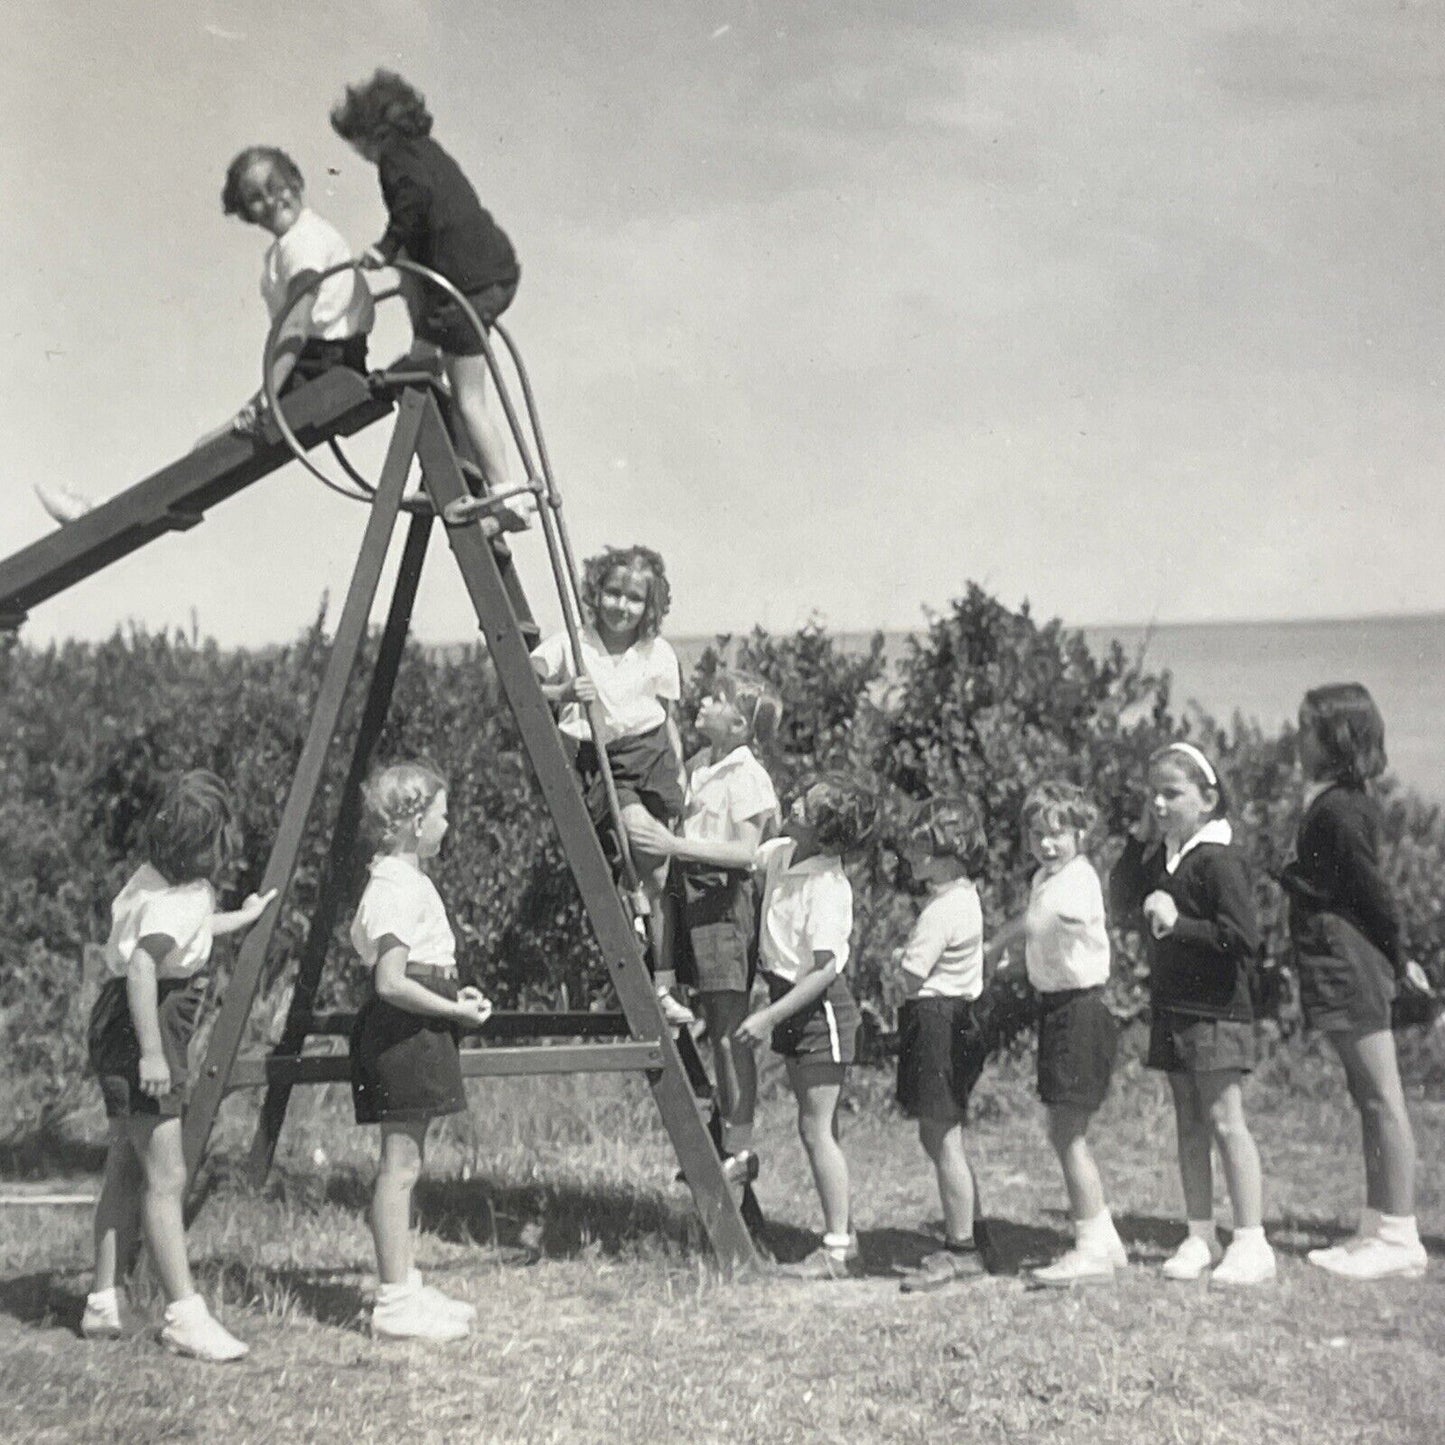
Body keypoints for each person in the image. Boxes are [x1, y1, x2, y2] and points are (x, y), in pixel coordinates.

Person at [33, 147, 375, 525]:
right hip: (323, 360)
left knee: (213, 450)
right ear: (246, 212)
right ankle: (112, 511)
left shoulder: (302, 242)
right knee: (211, 451)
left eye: (276, 187)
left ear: (296, 182)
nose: (270, 202)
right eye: (255, 199)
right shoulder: (298, 240)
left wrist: (265, 400)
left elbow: (295, 325)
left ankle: (101, 515)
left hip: (319, 364)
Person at [82, 771, 275, 1360]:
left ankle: (102, 1301)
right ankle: (185, 1316)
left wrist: (239, 918)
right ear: (211, 846)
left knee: (126, 1163)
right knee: (167, 1178)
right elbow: (145, 966)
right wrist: (152, 1054)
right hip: (147, 1028)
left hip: (116, 1023)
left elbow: (184, 932)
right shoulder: (177, 899)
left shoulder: (156, 885)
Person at [331, 69, 531, 531]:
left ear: (373, 133)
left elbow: (413, 208)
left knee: (469, 399)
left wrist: (383, 248)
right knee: (416, 277)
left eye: (358, 144)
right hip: (491, 273)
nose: (359, 154)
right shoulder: (427, 152)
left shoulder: (397, 161)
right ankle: (423, 357)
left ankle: (508, 498)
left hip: (466, 289)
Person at [1110, 741, 1275, 1287]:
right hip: (1174, 1008)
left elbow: (1243, 939)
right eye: (1152, 793)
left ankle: (1251, 1241)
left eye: (1171, 793)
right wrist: (1139, 835)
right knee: (1188, 1122)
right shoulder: (1165, 854)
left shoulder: (1219, 859)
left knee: (1227, 1121)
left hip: (1217, 1012)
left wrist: (1177, 924)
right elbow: (1122, 893)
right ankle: (1199, 1233)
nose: (1158, 803)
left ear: (1207, 798)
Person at [1284, 684, 1428, 1279]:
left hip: (1354, 960)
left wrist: (1399, 959)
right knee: (1366, 1097)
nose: (1297, 739)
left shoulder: (1341, 809)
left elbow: (1373, 894)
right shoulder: (1337, 802)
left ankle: (1400, 1237)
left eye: (1307, 729)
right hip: (1340, 958)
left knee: (1382, 1097)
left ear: (1337, 739)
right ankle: (1377, 1224)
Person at [349, 761, 493, 1342]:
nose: (448, 822)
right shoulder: (394, 885)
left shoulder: (405, 880)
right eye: (441, 813)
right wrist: (453, 1010)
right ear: (412, 823)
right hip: (403, 1033)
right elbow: (390, 981)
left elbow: (420, 968)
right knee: (399, 1167)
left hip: (418, 1023)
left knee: (407, 1164)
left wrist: (454, 995)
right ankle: (392, 1302)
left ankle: (403, 1286)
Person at [628, 671, 782, 1182]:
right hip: (691, 892)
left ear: (739, 723)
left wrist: (671, 847)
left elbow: (744, 852)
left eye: (718, 699)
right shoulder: (701, 765)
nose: (706, 700)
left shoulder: (747, 777)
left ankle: (738, 1144)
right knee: (707, 1023)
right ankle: (722, 1137)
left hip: (723, 902)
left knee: (726, 1031)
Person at [530, 546, 691, 1025]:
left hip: (654, 757)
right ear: (595, 592)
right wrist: (561, 694)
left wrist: (680, 774)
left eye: (635, 598)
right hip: (605, 762)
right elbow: (522, 681)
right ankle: (637, 923)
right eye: (614, 592)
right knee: (638, 839)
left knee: (659, 877)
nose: (622, 605)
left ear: (650, 605)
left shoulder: (656, 652)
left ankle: (662, 982)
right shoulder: (571, 644)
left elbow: (670, 718)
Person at [738, 773, 876, 1280]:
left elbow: (822, 972)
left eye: (807, 805)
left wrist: (768, 1016)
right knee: (819, 1129)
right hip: (789, 1003)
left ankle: (836, 1250)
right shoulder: (782, 853)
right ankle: (845, 1235)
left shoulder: (827, 886)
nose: (793, 801)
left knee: (816, 1129)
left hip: (819, 1013)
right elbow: (738, 857)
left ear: (828, 832)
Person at [990, 780, 1126, 1286]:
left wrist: (990, 949)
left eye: (1058, 834)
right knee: (1064, 1131)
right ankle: (1105, 1240)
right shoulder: (1046, 878)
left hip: (1081, 1012)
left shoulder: (1078, 879)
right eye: (1036, 835)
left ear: (1081, 833)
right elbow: (1039, 945)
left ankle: (1090, 1247)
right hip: (1058, 1007)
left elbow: (1035, 925)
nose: (1047, 844)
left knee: (1067, 1133)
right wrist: (1006, 968)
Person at [888, 798, 992, 1295]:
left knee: (942, 1136)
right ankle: (969, 1226)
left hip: (935, 1020)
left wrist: (899, 964)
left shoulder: (943, 907)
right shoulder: (963, 898)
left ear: (947, 853)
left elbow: (912, 976)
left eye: (920, 845)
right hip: (951, 1018)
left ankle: (962, 1249)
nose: (910, 854)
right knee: (938, 1135)